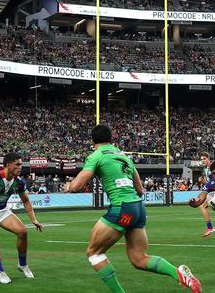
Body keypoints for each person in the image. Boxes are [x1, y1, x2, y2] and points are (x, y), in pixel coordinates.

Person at [66, 124, 202, 293]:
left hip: (122, 207)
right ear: (111, 139)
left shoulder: (96, 156)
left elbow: (77, 185)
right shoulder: (124, 156)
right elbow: (139, 189)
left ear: (93, 141)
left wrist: (68, 186)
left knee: (94, 253)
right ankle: (178, 273)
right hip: (138, 207)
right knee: (139, 259)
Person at [0, 152, 43, 284]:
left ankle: (22, 265)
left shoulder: (18, 182)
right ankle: (0, 271)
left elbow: (26, 201)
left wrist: (33, 220)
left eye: (21, 165)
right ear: (8, 164)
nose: (20, 167)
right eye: (17, 164)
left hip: (3, 210)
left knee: (23, 231)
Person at [198, 152, 215, 236]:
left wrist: (205, 186)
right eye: (201, 159)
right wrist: (204, 182)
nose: (202, 161)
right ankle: (210, 227)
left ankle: (210, 227)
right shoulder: (205, 169)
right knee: (202, 206)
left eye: (204, 159)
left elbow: (214, 181)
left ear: (208, 159)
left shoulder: (212, 167)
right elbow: (209, 182)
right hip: (213, 191)